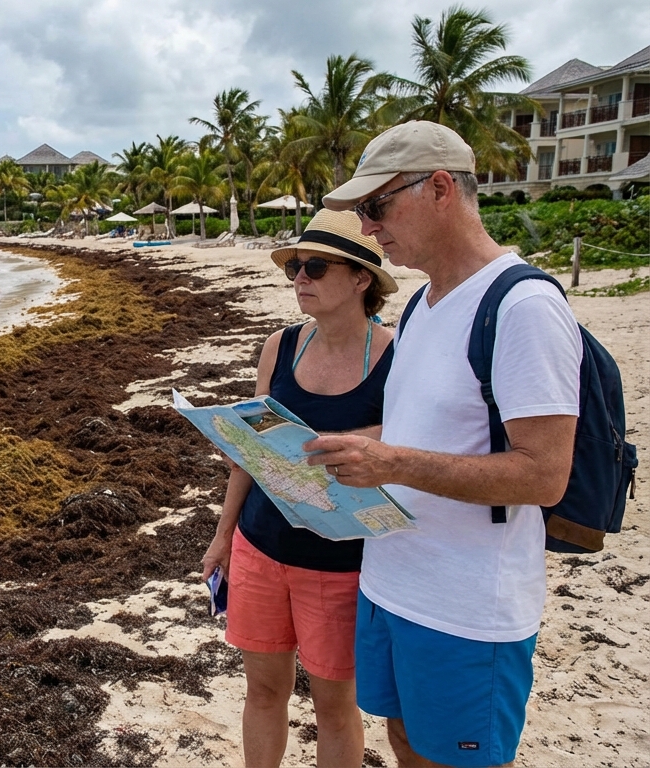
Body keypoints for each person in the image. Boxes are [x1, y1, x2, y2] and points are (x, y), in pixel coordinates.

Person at [306, 121, 581, 768]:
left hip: (467, 609)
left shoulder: (523, 306)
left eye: (376, 206)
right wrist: (348, 448)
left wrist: (391, 462)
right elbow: (422, 428)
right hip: (392, 582)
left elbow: (545, 475)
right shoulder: (424, 303)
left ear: (438, 189)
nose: (368, 228)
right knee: (404, 744)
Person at [200, 209, 398, 768]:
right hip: (261, 545)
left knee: (336, 707)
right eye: (294, 268)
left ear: (362, 279)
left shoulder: (396, 357)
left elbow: (412, 447)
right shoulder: (280, 347)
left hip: (341, 560)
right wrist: (223, 538)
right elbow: (248, 452)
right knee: (263, 691)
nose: (299, 279)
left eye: (314, 267)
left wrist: (359, 439)